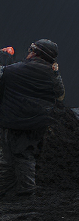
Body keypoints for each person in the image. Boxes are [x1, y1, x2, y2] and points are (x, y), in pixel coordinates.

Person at [0, 40, 65, 198]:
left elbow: (3, 74)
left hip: (12, 122)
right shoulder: (52, 76)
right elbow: (60, 95)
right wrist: (55, 72)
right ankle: (23, 191)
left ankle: (15, 192)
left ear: (35, 52)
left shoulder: (15, 70)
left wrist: (3, 57)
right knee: (25, 156)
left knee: (7, 158)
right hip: (37, 124)